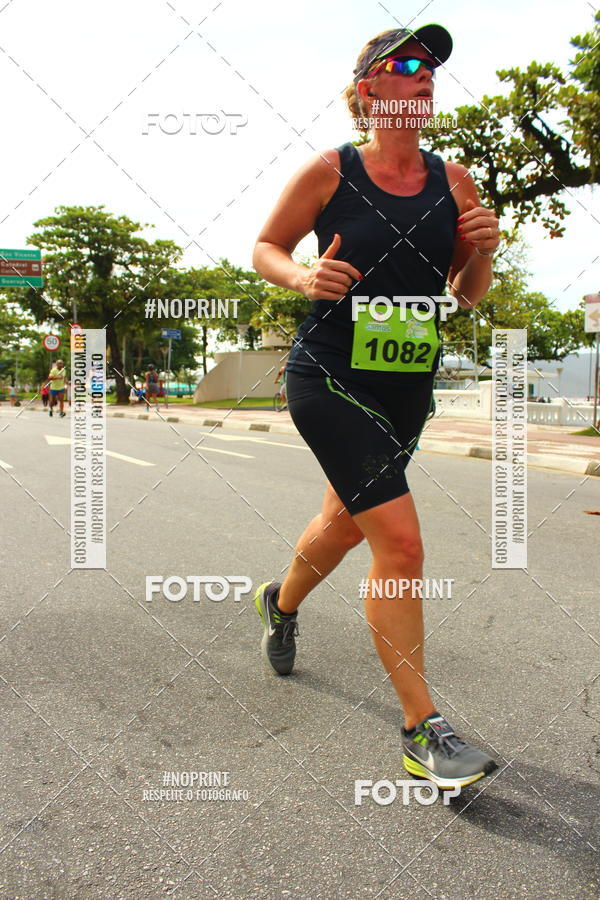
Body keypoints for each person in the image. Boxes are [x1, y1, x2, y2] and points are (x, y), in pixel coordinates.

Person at [252, 24, 501, 790]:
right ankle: (422, 730)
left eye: (429, 68)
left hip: (406, 389)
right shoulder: (331, 171)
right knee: (401, 543)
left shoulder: (453, 181)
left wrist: (485, 250)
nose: (422, 76)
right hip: (327, 375)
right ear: (367, 90)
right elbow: (266, 245)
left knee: (341, 523)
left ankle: (280, 602)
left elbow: (465, 294)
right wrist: (300, 280)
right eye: (403, 65)